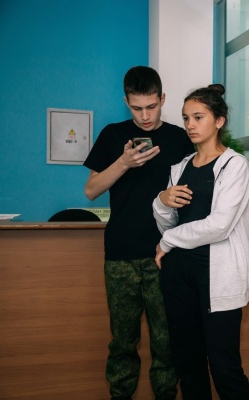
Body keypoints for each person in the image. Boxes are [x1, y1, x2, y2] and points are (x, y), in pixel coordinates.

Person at [83, 66, 194, 400]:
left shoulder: (180, 138)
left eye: (151, 106)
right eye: (137, 108)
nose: (145, 116)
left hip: (166, 253)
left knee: (166, 340)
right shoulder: (112, 135)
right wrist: (124, 163)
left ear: (163, 99)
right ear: (126, 102)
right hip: (120, 253)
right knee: (122, 341)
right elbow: (90, 190)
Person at [152, 84, 249, 400]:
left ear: (219, 120)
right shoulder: (180, 167)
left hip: (218, 278)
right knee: (188, 365)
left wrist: (168, 241)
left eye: (198, 117)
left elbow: (219, 226)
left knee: (225, 368)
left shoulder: (234, 165)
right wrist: (161, 201)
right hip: (178, 275)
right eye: (186, 118)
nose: (190, 125)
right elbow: (168, 223)